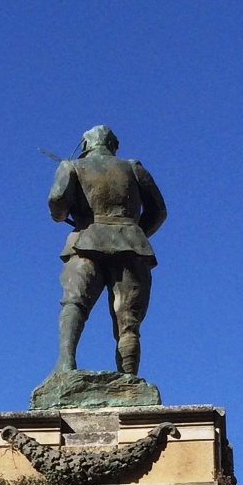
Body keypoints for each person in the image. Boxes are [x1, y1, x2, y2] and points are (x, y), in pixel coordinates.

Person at [48, 125, 166, 377]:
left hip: (85, 243)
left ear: (86, 145)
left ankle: (65, 364)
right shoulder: (134, 167)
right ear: (112, 145)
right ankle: (129, 378)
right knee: (128, 322)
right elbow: (158, 211)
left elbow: (58, 208)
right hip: (132, 247)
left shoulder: (71, 167)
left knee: (74, 302)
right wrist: (134, 232)